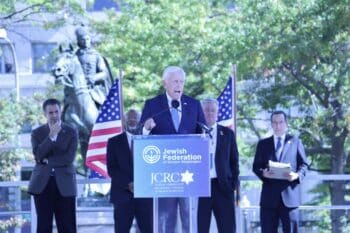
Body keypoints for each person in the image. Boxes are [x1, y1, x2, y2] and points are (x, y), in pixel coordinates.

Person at [140, 66, 206, 233]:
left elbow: (203, 133)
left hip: (189, 174)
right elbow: (138, 133)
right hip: (163, 175)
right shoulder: (153, 105)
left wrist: (206, 137)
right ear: (165, 83)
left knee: (188, 218)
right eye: (175, 81)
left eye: (182, 82)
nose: (179, 85)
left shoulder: (194, 104)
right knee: (166, 219)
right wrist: (146, 128)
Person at [252, 110, 309, 233]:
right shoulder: (263, 144)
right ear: (271, 124)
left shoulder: (295, 141)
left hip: (289, 198)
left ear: (286, 124)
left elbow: (304, 165)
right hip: (269, 199)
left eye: (281, 122)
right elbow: (256, 166)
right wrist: (263, 173)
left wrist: (296, 175)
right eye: (275, 123)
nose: (278, 126)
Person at [28, 98, 78, 233]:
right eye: (51, 113)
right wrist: (51, 136)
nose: (54, 115)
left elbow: (68, 158)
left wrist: (48, 161)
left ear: (60, 111)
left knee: (68, 227)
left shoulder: (71, 131)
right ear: (45, 114)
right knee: (43, 226)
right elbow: (38, 156)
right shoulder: (37, 133)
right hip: (42, 185)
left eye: (56, 111)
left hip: (65, 184)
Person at [107, 109, 153, 233]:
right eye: (129, 118)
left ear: (141, 121)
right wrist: (128, 184)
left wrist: (139, 183)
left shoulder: (150, 140)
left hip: (144, 195)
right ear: (124, 121)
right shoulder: (113, 142)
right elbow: (112, 169)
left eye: (135, 118)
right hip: (122, 196)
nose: (132, 120)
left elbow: (153, 167)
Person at [197, 98, 239, 233]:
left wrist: (232, 184)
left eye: (212, 110)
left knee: (227, 228)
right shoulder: (194, 132)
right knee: (201, 227)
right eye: (206, 110)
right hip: (201, 188)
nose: (209, 113)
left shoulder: (227, 134)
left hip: (223, 187)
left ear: (217, 113)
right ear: (201, 112)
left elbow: (234, 161)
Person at [75, 26, 112, 107]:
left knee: (102, 106)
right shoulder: (74, 56)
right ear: (78, 41)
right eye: (82, 39)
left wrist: (93, 78)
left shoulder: (96, 55)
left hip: (93, 88)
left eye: (87, 39)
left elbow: (104, 73)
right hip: (77, 88)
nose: (85, 42)